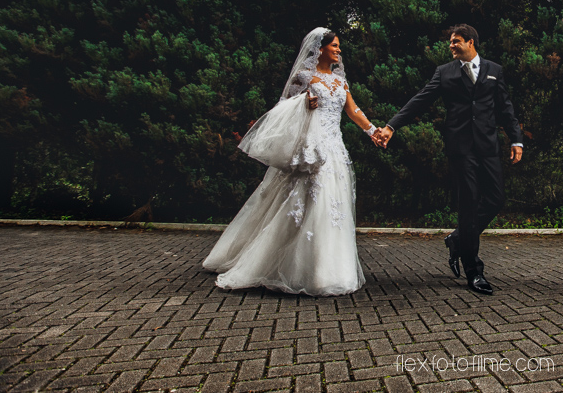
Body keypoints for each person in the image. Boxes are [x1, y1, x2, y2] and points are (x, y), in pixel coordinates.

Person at [203, 28, 381, 295]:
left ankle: (327, 271)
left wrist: (373, 131)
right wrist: (302, 104)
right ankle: (288, 267)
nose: (339, 51)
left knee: (332, 207)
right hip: (311, 150)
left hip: (335, 151)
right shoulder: (304, 77)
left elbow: (352, 110)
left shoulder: (340, 81)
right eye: (335, 46)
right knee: (307, 203)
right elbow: (281, 109)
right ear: (320, 49)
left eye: (339, 47)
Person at [375, 24, 523, 295]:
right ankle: (474, 271)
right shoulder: (444, 73)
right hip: (460, 148)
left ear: (471, 42)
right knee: (468, 203)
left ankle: (457, 239)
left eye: (456, 41)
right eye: (450, 42)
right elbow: (420, 100)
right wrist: (392, 126)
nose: (451, 46)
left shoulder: (494, 70)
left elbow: (505, 107)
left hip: (488, 147)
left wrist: (516, 139)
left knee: (496, 199)